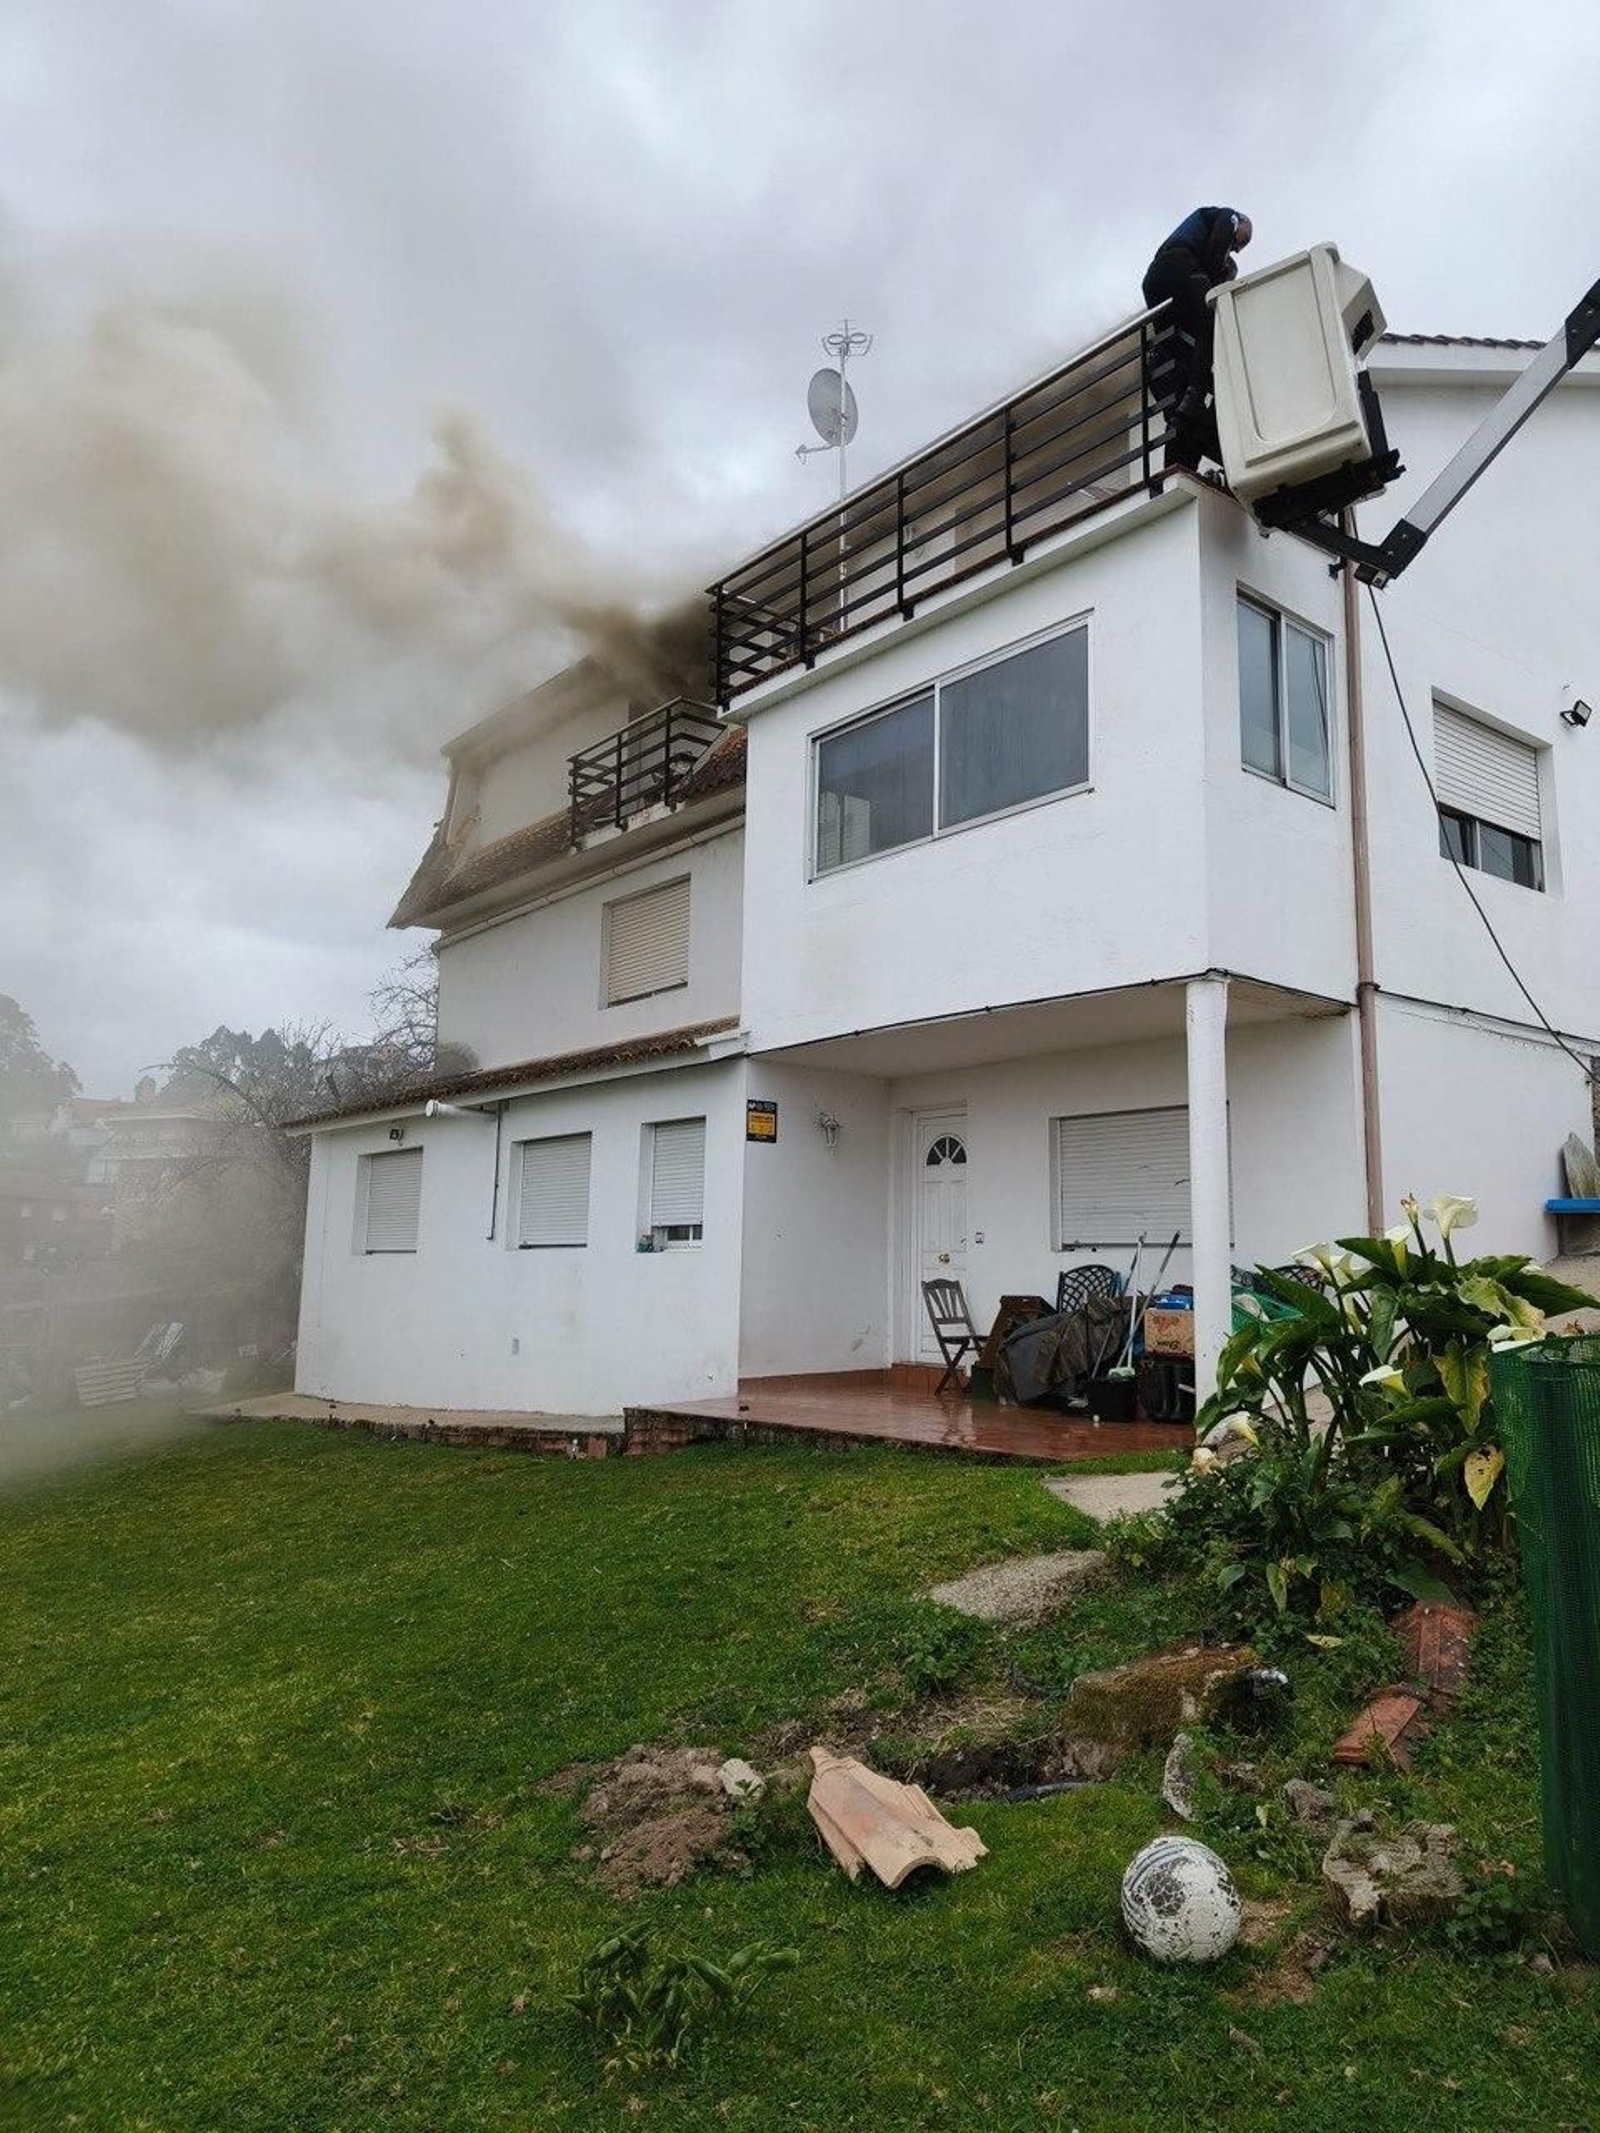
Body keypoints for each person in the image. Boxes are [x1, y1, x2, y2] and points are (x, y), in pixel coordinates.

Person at [1142, 207, 1253, 470]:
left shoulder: (1204, 229)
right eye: (1242, 241)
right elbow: (1217, 248)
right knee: (1211, 317)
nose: (1237, 248)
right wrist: (1219, 278)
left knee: (1178, 351)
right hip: (1176, 265)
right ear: (1241, 225)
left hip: (1156, 282)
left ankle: (1175, 469)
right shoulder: (1228, 216)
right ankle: (1194, 395)